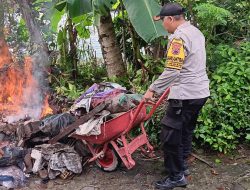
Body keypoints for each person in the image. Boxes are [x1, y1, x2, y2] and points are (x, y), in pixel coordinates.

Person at [144, 2, 210, 190]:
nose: (163, 25)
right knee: (185, 129)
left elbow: (173, 70)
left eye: (163, 21)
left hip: (185, 94)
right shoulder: (196, 32)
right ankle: (182, 166)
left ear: (171, 19)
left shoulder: (178, 38)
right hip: (200, 92)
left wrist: (153, 89)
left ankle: (176, 176)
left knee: (170, 134)